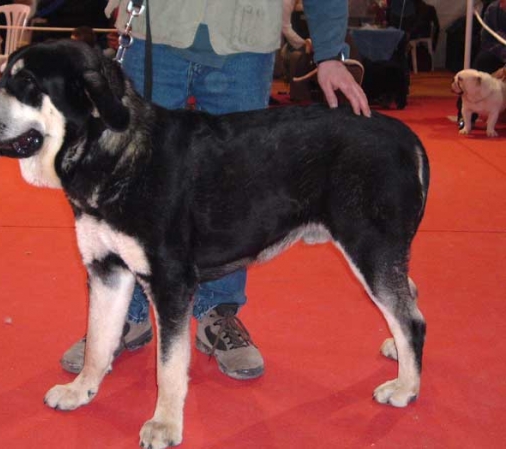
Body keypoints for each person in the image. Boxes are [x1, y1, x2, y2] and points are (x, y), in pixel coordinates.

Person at [60, 0, 370, 380]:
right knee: (131, 188)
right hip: (152, 32)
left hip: (245, 42)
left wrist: (330, 53)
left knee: (234, 190)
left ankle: (217, 313)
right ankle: (128, 315)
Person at [457, 0, 506, 129]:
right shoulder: (493, 9)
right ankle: (465, 119)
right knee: (481, 62)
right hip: (498, 53)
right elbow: (486, 41)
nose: (502, 4)